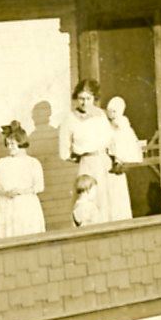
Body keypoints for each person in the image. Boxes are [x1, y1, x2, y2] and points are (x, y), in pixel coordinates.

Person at [58, 78, 115, 220]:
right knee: (86, 199)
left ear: (94, 98)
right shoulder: (70, 119)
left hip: (103, 162)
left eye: (88, 98)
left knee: (105, 200)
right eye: (81, 98)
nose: (84, 102)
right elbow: (64, 150)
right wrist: (78, 157)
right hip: (86, 164)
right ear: (76, 98)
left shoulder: (101, 115)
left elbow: (110, 139)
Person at [0, 121, 46, 239]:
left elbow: (39, 186)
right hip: (6, 206)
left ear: (21, 143)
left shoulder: (32, 163)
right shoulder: (2, 163)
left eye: (13, 144)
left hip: (26, 206)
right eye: (8, 144)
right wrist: (5, 193)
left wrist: (22, 191)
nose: (10, 147)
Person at [103, 96, 142, 222]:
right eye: (110, 111)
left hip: (119, 163)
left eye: (115, 111)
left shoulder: (123, 125)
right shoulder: (106, 125)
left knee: (119, 194)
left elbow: (127, 144)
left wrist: (119, 158)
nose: (112, 115)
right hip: (108, 163)